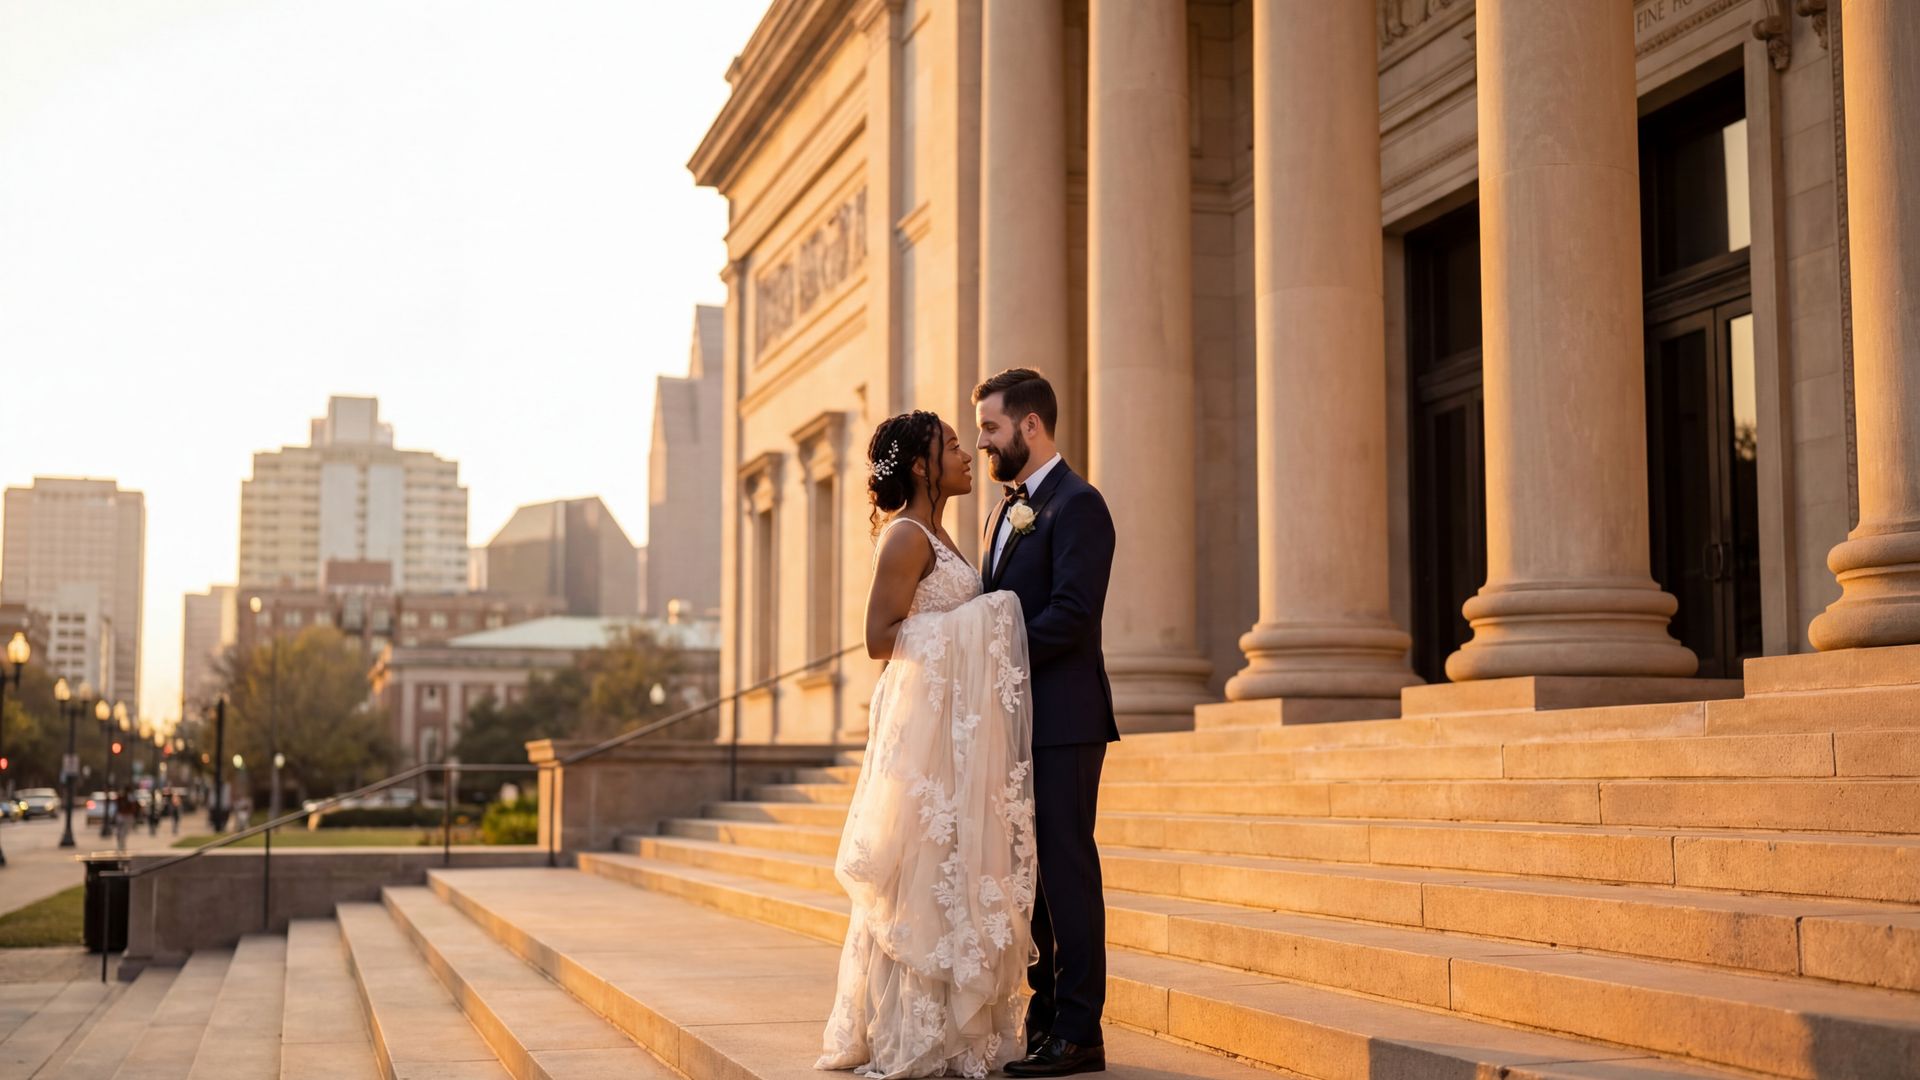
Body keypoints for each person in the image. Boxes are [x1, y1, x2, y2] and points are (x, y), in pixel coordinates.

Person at [816, 411, 1038, 1079]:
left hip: (956, 729)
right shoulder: (907, 538)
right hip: (925, 732)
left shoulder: (946, 534)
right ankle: (914, 1031)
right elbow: (880, 638)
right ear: (920, 466)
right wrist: (983, 618)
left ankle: (954, 1028)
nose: (966, 453)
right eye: (949, 445)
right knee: (924, 873)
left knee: (956, 867)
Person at [973, 369, 1117, 1077]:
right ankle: (1045, 1016)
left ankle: (1081, 1030)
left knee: (1067, 869)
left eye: (992, 429)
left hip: (1065, 718)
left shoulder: (1079, 505)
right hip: (1017, 719)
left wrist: (989, 646)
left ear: (1031, 426)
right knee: (1031, 877)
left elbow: (1073, 614)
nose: (984, 444)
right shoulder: (1005, 510)